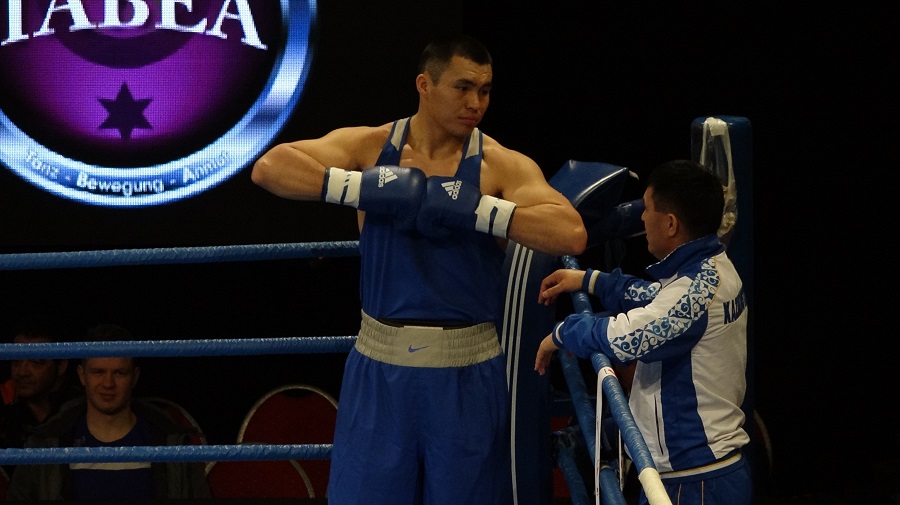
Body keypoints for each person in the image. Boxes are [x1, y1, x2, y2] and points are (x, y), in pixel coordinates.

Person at [251, 33, 586, 505]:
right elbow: (270, 168)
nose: (475, 103)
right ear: (424, 85)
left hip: (467, 375)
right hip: (379, 369)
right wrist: (362, 188)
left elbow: (570, 234)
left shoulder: (498, 165)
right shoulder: (372, 147)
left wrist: (481, 210)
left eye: (485, 91)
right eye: (463, 88)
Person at [534, 159, 751, 505]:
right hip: (697, 474)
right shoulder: (711, 269)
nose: (642, 218)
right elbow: (655, 297)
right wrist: (591, 280)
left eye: (647, 209)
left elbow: (626, 336)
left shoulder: (697, 292)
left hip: (695, 481)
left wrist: (562, 333)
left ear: (670, 223)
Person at [6, 323, 211, 501]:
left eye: (119, 373)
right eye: (98, 372)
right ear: (82, 375)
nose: (108, 383)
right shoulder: (44, 444)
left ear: (134, 377)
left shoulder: (172, 443)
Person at [0, 313, 82, 477]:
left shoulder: (84, 411)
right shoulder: (5, 416)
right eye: (16, 361)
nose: (22, 372)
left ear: (61, 365)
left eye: (36, 362)